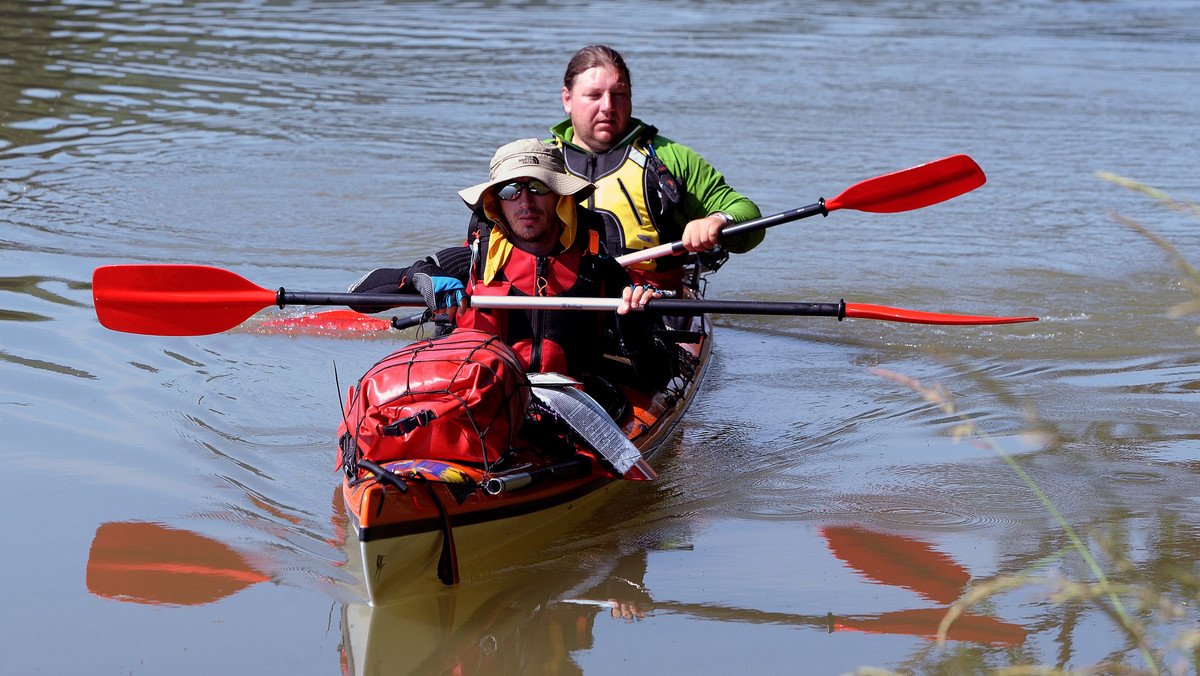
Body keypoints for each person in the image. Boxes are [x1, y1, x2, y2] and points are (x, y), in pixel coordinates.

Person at [349, 138, 671, 390]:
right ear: (496, 202)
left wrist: (633, 325)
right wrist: (420, 276)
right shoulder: (470, 261)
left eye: (539, 187)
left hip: (571, 401)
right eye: (510, 190)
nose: (525, 202)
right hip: (480, 395)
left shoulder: (600, 271)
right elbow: (359, 296)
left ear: (561, 196)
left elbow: (658, 378)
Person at [551, 45, 763, 290]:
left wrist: (719, 220)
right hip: (561, 300)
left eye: (619, 95)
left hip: (650, 302)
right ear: (567, 99)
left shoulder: (670, 158)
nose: (608, 106)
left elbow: (748, 215)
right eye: (594, 95)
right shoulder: (538, 160)